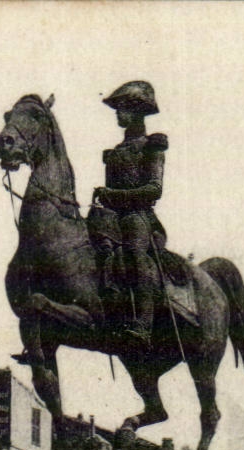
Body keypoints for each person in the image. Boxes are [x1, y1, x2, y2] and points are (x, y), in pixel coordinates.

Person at [91, 80, 168, 349]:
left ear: (137, 111)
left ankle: (143, 325)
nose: (118, 114)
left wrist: (113, 195)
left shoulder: (151, 146)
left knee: (135, 254)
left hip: (138, 215)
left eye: (122, 108)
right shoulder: (116, 152)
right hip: (112, 216)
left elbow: (154, 189)